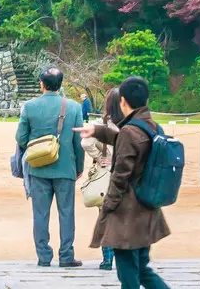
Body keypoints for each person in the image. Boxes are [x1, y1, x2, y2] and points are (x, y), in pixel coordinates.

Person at [90, 76, 170, 289]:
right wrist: (98, 131)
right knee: (143, 270)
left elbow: (120, 175)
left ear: (122, 101)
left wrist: (108, 206)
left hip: (127, 213)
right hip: (148, 207)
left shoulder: (129, 132)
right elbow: (132, 141)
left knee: (128, 275)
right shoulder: (153, 126)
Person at [17, 65, 86, 268]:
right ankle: (66, 256)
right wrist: (78, 166)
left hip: (38, 167)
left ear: (42, 84)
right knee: (66, 212)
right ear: (60, 84)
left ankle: (43, 257)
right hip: (66, 167)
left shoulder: (29, 106)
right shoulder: (73, 107)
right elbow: (78, 141)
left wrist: (37, 146)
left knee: (40, 213)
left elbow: (20, 137)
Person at [80, 89, 123, 273]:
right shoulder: (133, 126)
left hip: (105, 175)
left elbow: (85, 142)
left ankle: (107, 259)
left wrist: (100, 156)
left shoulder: (101, 125)